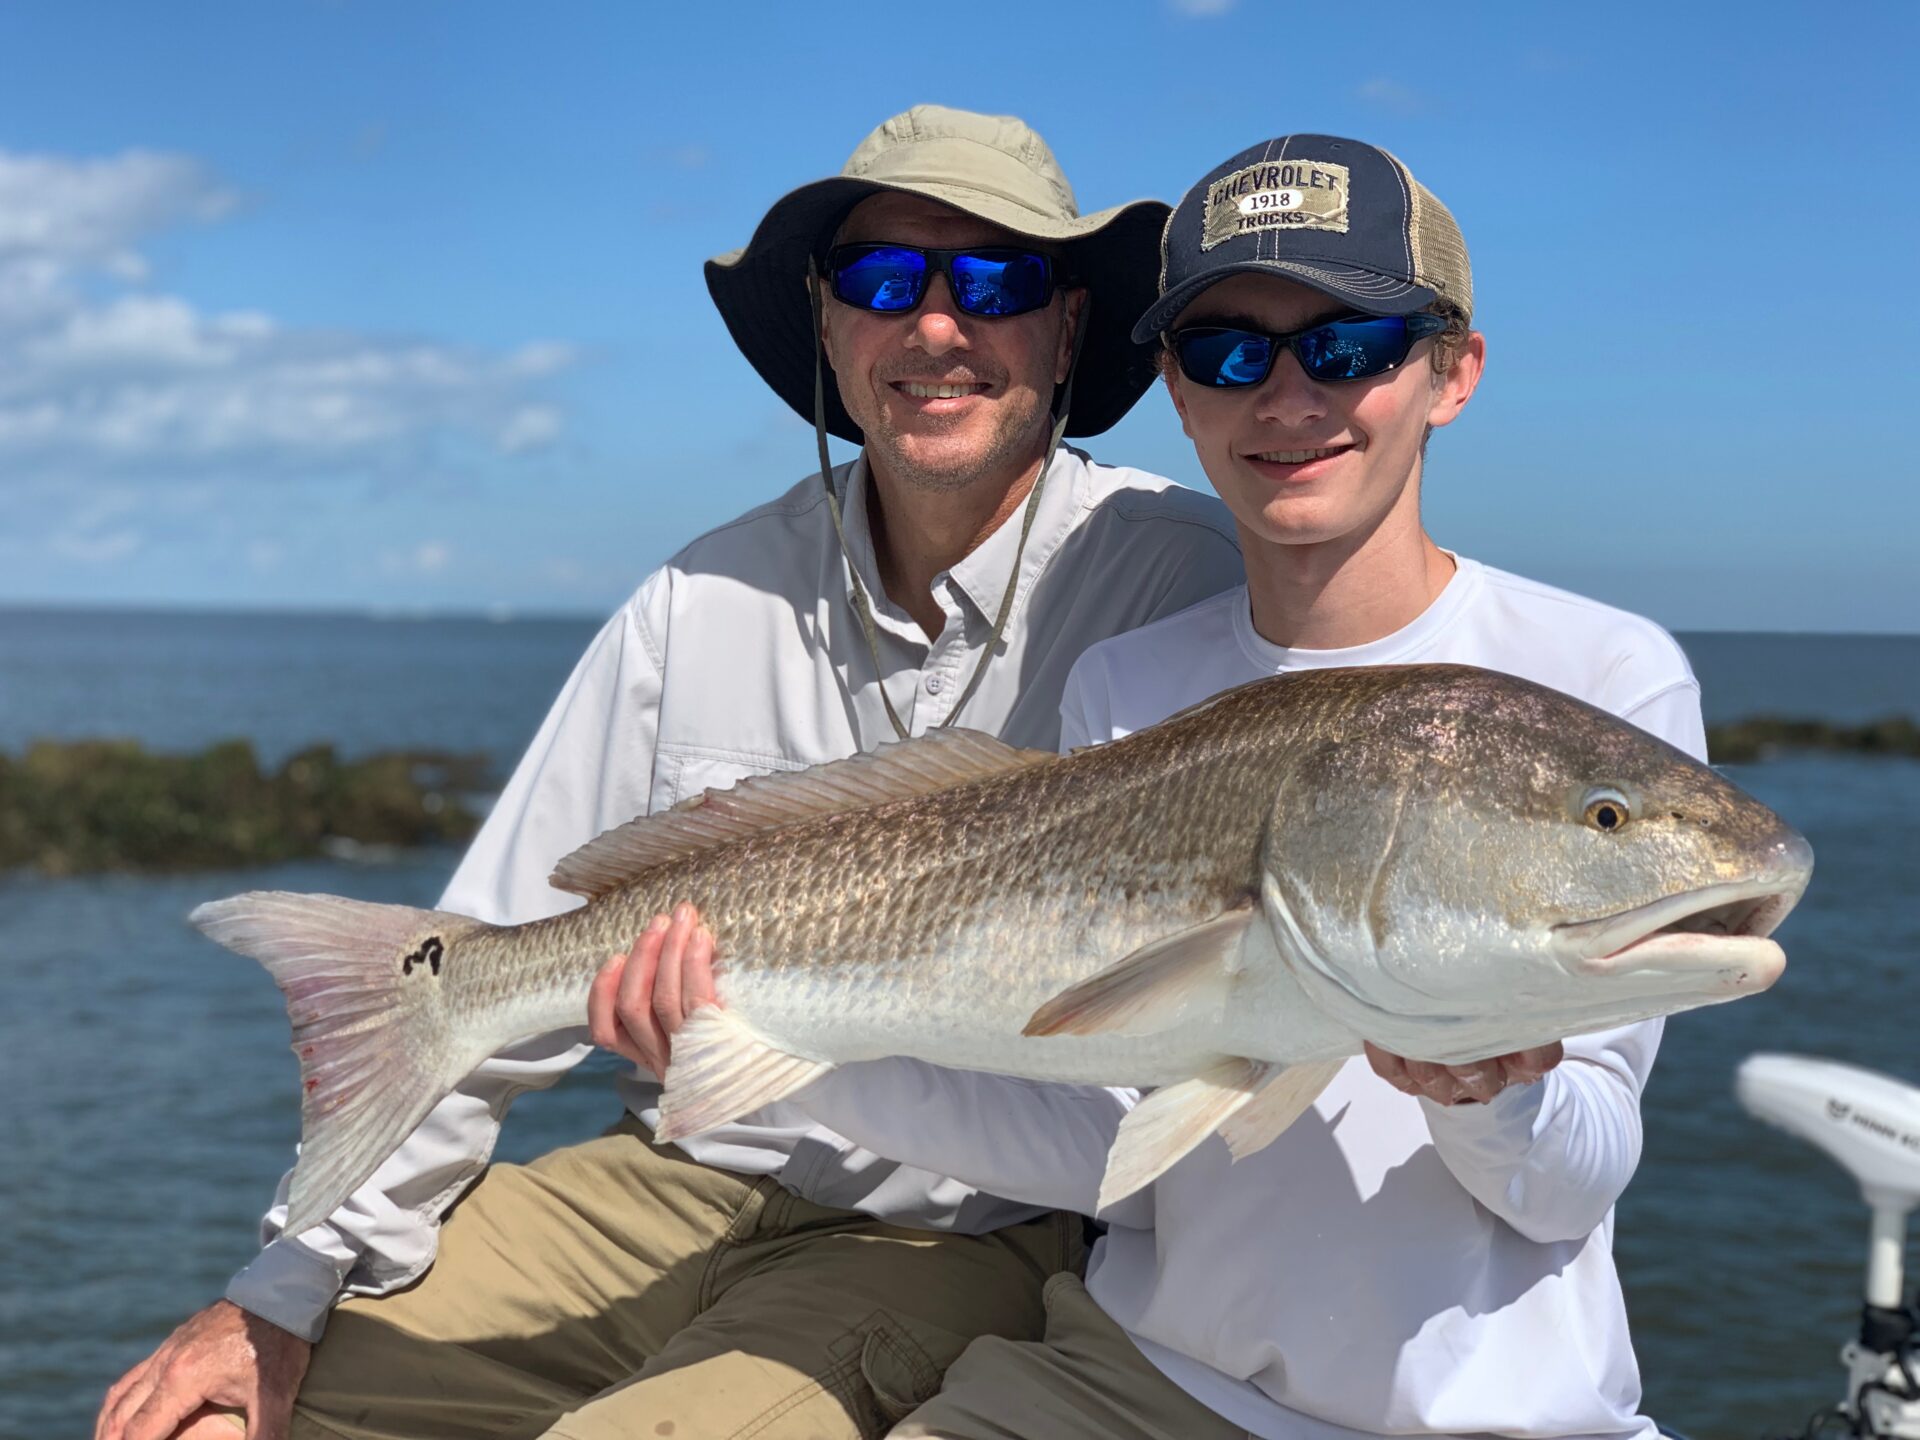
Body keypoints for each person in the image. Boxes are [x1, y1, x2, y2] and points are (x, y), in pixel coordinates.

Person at [95, 106, 1243, 1440]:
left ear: (1065, 328)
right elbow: (471, 973)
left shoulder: (1181, 582)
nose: (936, 326)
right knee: (208, 1423)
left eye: (996, 281)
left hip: (956, 1234)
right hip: (673, 1179)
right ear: (826, 323)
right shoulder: (698, 596)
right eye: (881, 279)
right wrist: (278, 1290)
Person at [608, 135, 1705, 1438]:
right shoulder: (1130, 682)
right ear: (1181, 393)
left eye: (1349, 345)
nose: (1288, 397)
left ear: (1452, 372)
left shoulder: (1596, 674)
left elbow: (1574, 1181)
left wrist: (1490, 1091)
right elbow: (1106, 1141)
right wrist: (771, 1051)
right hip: (1125, 1375)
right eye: (1232, 350)